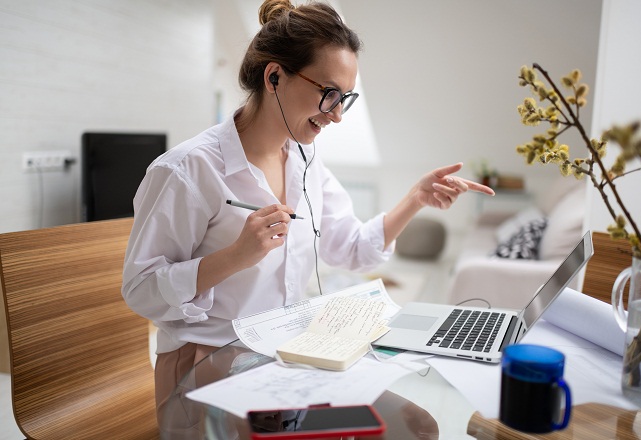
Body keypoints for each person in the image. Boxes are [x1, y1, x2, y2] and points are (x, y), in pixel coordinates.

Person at [122, 0, 495, 430]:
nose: (336, 114)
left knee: (417, 425)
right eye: (329, 93)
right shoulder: (187, 170)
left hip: (285, 353)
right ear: (275, 76)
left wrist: (414, 198)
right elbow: (140, 290)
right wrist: (236, 256)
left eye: (346, 99)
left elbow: (352, 249)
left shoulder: (305, 160)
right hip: (206, 358)